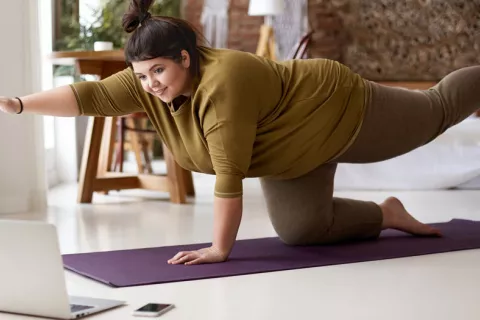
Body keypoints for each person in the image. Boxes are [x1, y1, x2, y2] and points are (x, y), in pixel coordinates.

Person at [1, 0, 479, 266]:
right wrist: (20, 104)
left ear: (185, 58)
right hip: (287, 151)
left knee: (435, 112)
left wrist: (219, 249)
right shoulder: (150, 81)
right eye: (143, 75)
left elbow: (228, 177)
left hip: (335, 109)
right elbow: (86, 97)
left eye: (159, 72)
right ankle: (387, 214)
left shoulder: (223, 84)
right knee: (302, 231)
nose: (151, 85)